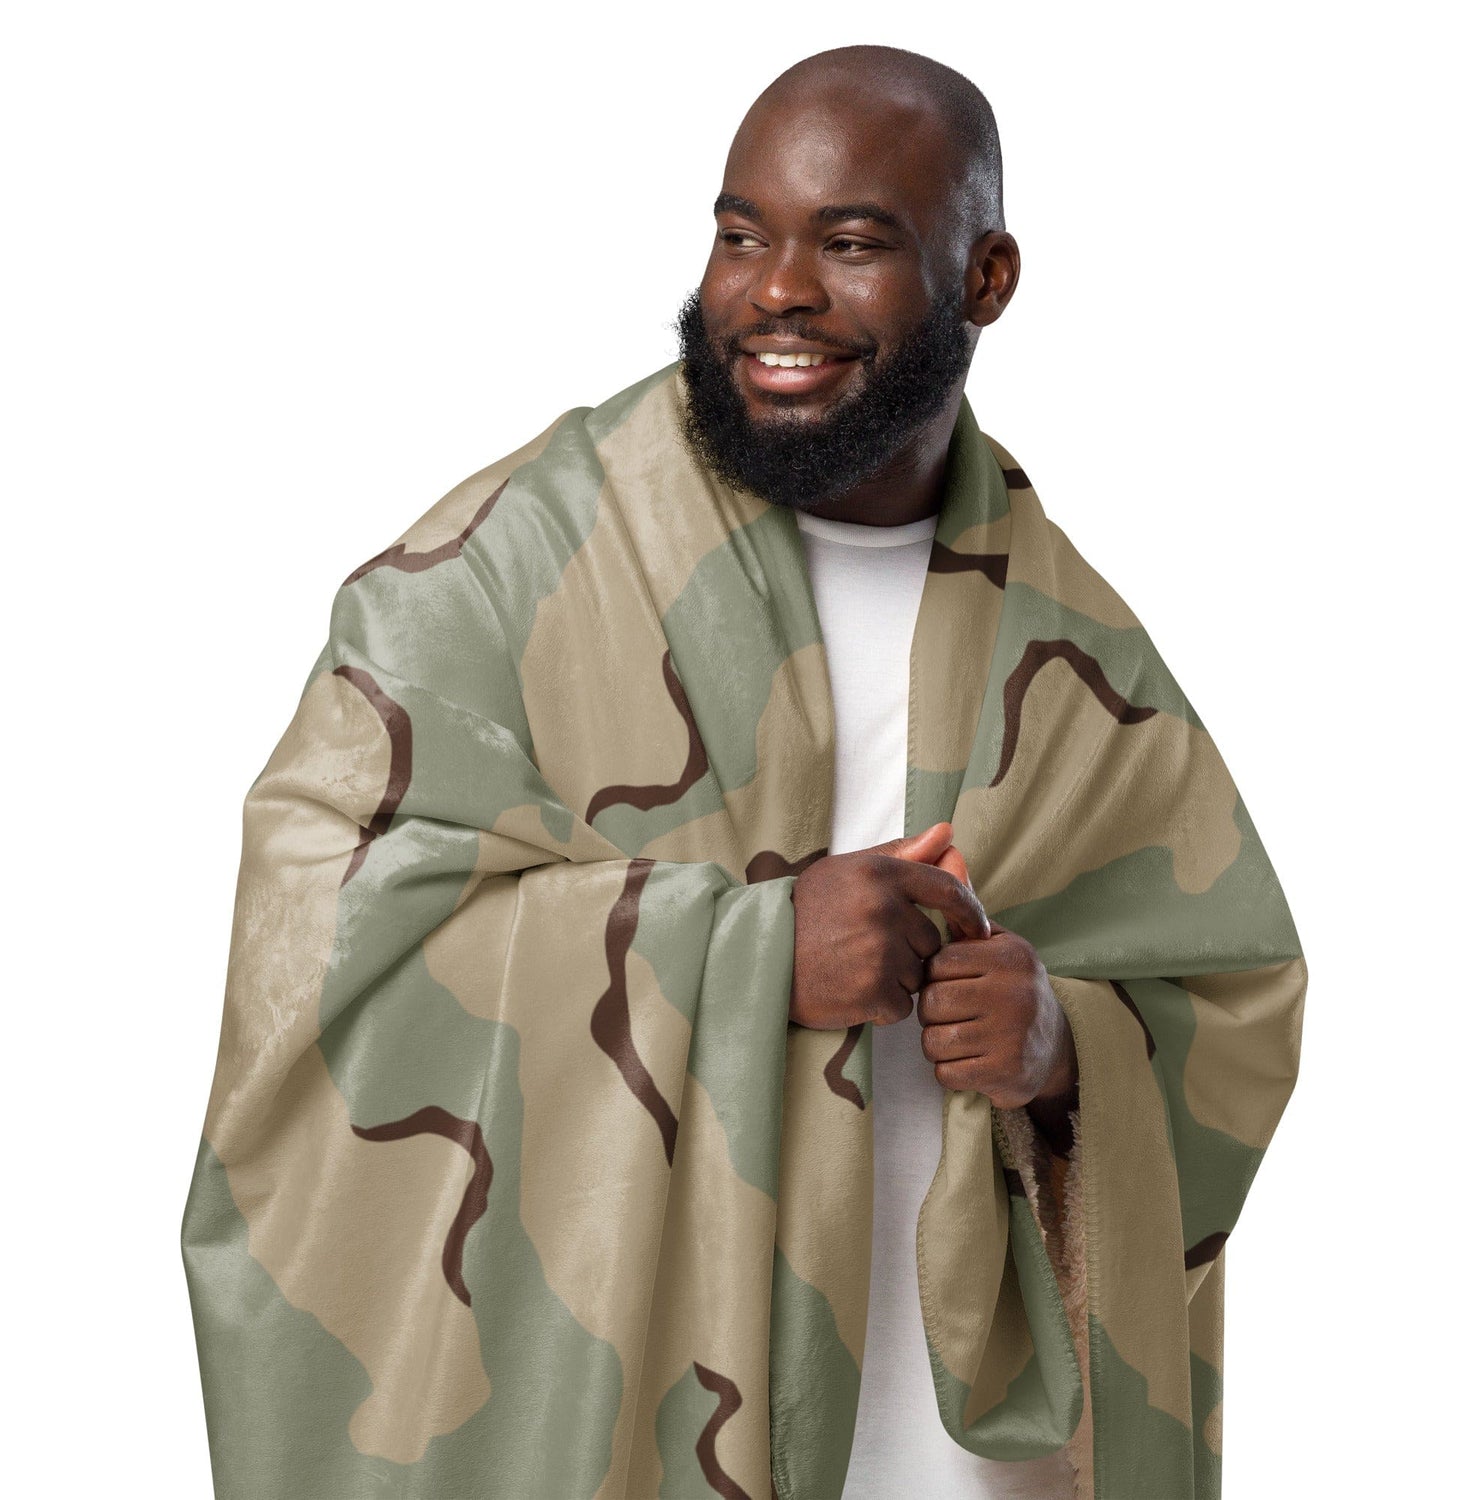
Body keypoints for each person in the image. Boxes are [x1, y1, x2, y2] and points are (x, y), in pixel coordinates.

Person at [182, 43, 1306, 1500]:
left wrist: (1059, 1053)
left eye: (853, 243)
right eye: (739, 234)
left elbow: (1230, 1000)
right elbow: (313, 929)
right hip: (631, 1424)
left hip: (961, 1454)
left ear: (986, 279)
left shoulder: (1071, 636)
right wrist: (755, 950)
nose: (776, 289)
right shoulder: (513, 569)